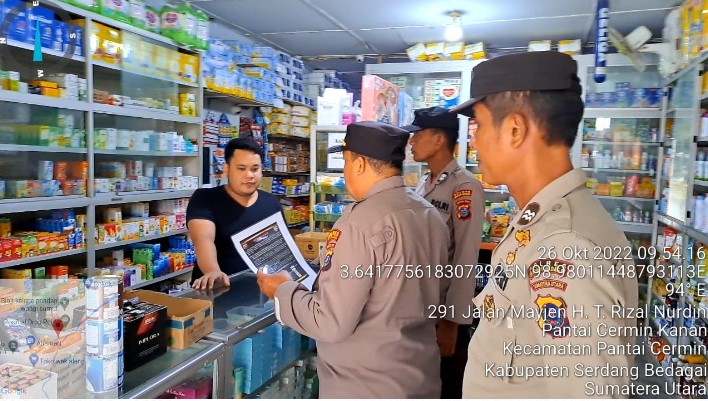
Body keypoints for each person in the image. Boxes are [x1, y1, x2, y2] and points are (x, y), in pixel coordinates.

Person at [450, 51, 638, 398]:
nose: (473, 141)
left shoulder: (567, 248)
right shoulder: (538, 221)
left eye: (477, 125)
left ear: (515, 129)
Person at [256, 121, 449, 398]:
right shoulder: (428, 213)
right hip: (419, 376)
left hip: (366, 386)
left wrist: (282, 290)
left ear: (359, 165)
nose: (345, 172)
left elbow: (330, 323)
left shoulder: (359, 223)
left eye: (346, 163)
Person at [405, 106, 484, 399]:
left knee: (446, 386)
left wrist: (452, 320)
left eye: (417, 135)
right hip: (422, 305)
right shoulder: (426, 182)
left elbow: (466, 256)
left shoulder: (464, 187)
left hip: (444, 312)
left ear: (439, 140)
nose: (411, 142)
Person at [187, 138, 282, 290]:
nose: (250, 175)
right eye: (241, 168)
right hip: (217, 292)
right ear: (226, 169)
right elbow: (203, 239)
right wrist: (213, 272)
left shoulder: (271, 203)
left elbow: (281, 247)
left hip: (260, 294)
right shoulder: (205, 199)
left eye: (255, 169)